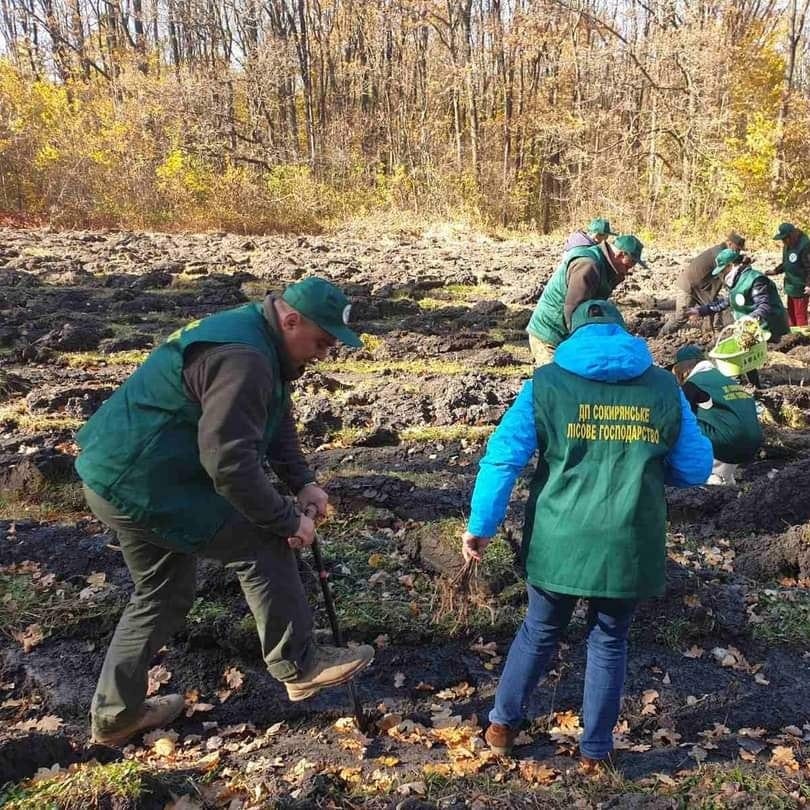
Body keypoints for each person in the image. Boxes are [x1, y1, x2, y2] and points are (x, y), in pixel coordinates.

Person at [75, 277, 375, 746]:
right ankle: (299, 665)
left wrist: (303, 482)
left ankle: (117, 717)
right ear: (290, 319)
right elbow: (230, 466)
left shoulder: (259, 342)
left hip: (118, 475)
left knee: (161, 593)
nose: (324, 354)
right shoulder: (245, 357)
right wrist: (285, 518)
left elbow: (274, 418)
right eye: (321, 342)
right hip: (146, 483)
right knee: (262, 542)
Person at [462, 300, 711, 769]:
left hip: (558, 539)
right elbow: (696, 467)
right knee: (609, 640)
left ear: (573, 335)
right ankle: (595, 751)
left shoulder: (546, 384)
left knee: (539, 630)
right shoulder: (661, 386)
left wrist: (481, 526)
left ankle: (501, 727)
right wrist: (647, 473)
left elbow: (503, 459)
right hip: (629, 541)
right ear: (624, 334)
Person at [526, 235, 646, 366]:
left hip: (564, 332)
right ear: (620, 255)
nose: (629, 269)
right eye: (630, 264)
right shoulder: (588, 265)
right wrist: (582, 347)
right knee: (558, 380)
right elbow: (573, 308)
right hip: (550, 333)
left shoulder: (605, 266)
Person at [689, 248, 789, 387]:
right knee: (744, 352)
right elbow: (726, 302)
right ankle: (752, 384)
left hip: (763, 325)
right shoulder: (734, 281)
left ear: (732, 265)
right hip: (746, 326)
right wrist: (701, 311)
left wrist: (748, 319)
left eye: (723, 271)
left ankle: (751, 384)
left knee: (746, 351)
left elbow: (764, 306)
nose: (722, 275)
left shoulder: (755, 279)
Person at [671, 344, 762, 486]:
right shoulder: (727, 380)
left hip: (727, 443)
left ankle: (711, 476)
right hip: (753, 442)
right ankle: (725, 478)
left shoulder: (693, 384)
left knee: (683, 421)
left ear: (683, 367)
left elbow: (676, 417)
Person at [661, 231, 746, 335]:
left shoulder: (724, 252)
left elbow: (732, 259)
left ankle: (712, 333)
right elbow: (725, 277)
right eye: (737, 249)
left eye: (739, 251)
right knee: (681, 317)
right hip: (689, 286)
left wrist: (742, 260)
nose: (737, 252)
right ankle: (661, 336)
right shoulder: (719, 254)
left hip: (701, 288)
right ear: (729, 243)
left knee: (714, 308)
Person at [767, 222, 810, 327]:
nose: (783, 241)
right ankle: (793, 335)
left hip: (801, 286)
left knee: (800, 315)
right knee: (790, 313)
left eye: (785, 238)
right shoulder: (787, 245)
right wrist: (776, 271)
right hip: (790, 285)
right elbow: (787, 262)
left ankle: (803, 340)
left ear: (792, 235)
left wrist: (809, 285)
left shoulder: (805, 246)